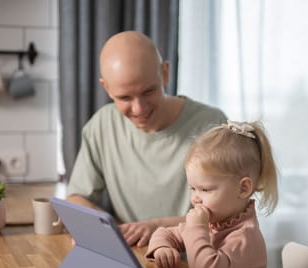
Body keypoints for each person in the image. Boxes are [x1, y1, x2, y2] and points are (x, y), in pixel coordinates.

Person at [66, 31, 227, 246]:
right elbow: (76, 198)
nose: (139, 109)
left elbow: (224, 216)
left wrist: (158, 227)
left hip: (197, 262)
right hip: (136, 256)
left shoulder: (211, 124)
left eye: (149, 91)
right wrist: (107, 231)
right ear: (106, 88)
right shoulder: (101, 125)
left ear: (165, 73)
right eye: (124, 97)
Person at [145, 120, 279, 268]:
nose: (195, 198)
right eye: (193, 188)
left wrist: (197, 228)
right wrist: (163, 248)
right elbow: (165, 233)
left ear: (243, 189)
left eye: (205, 189)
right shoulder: (215, 222)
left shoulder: (245, 237)